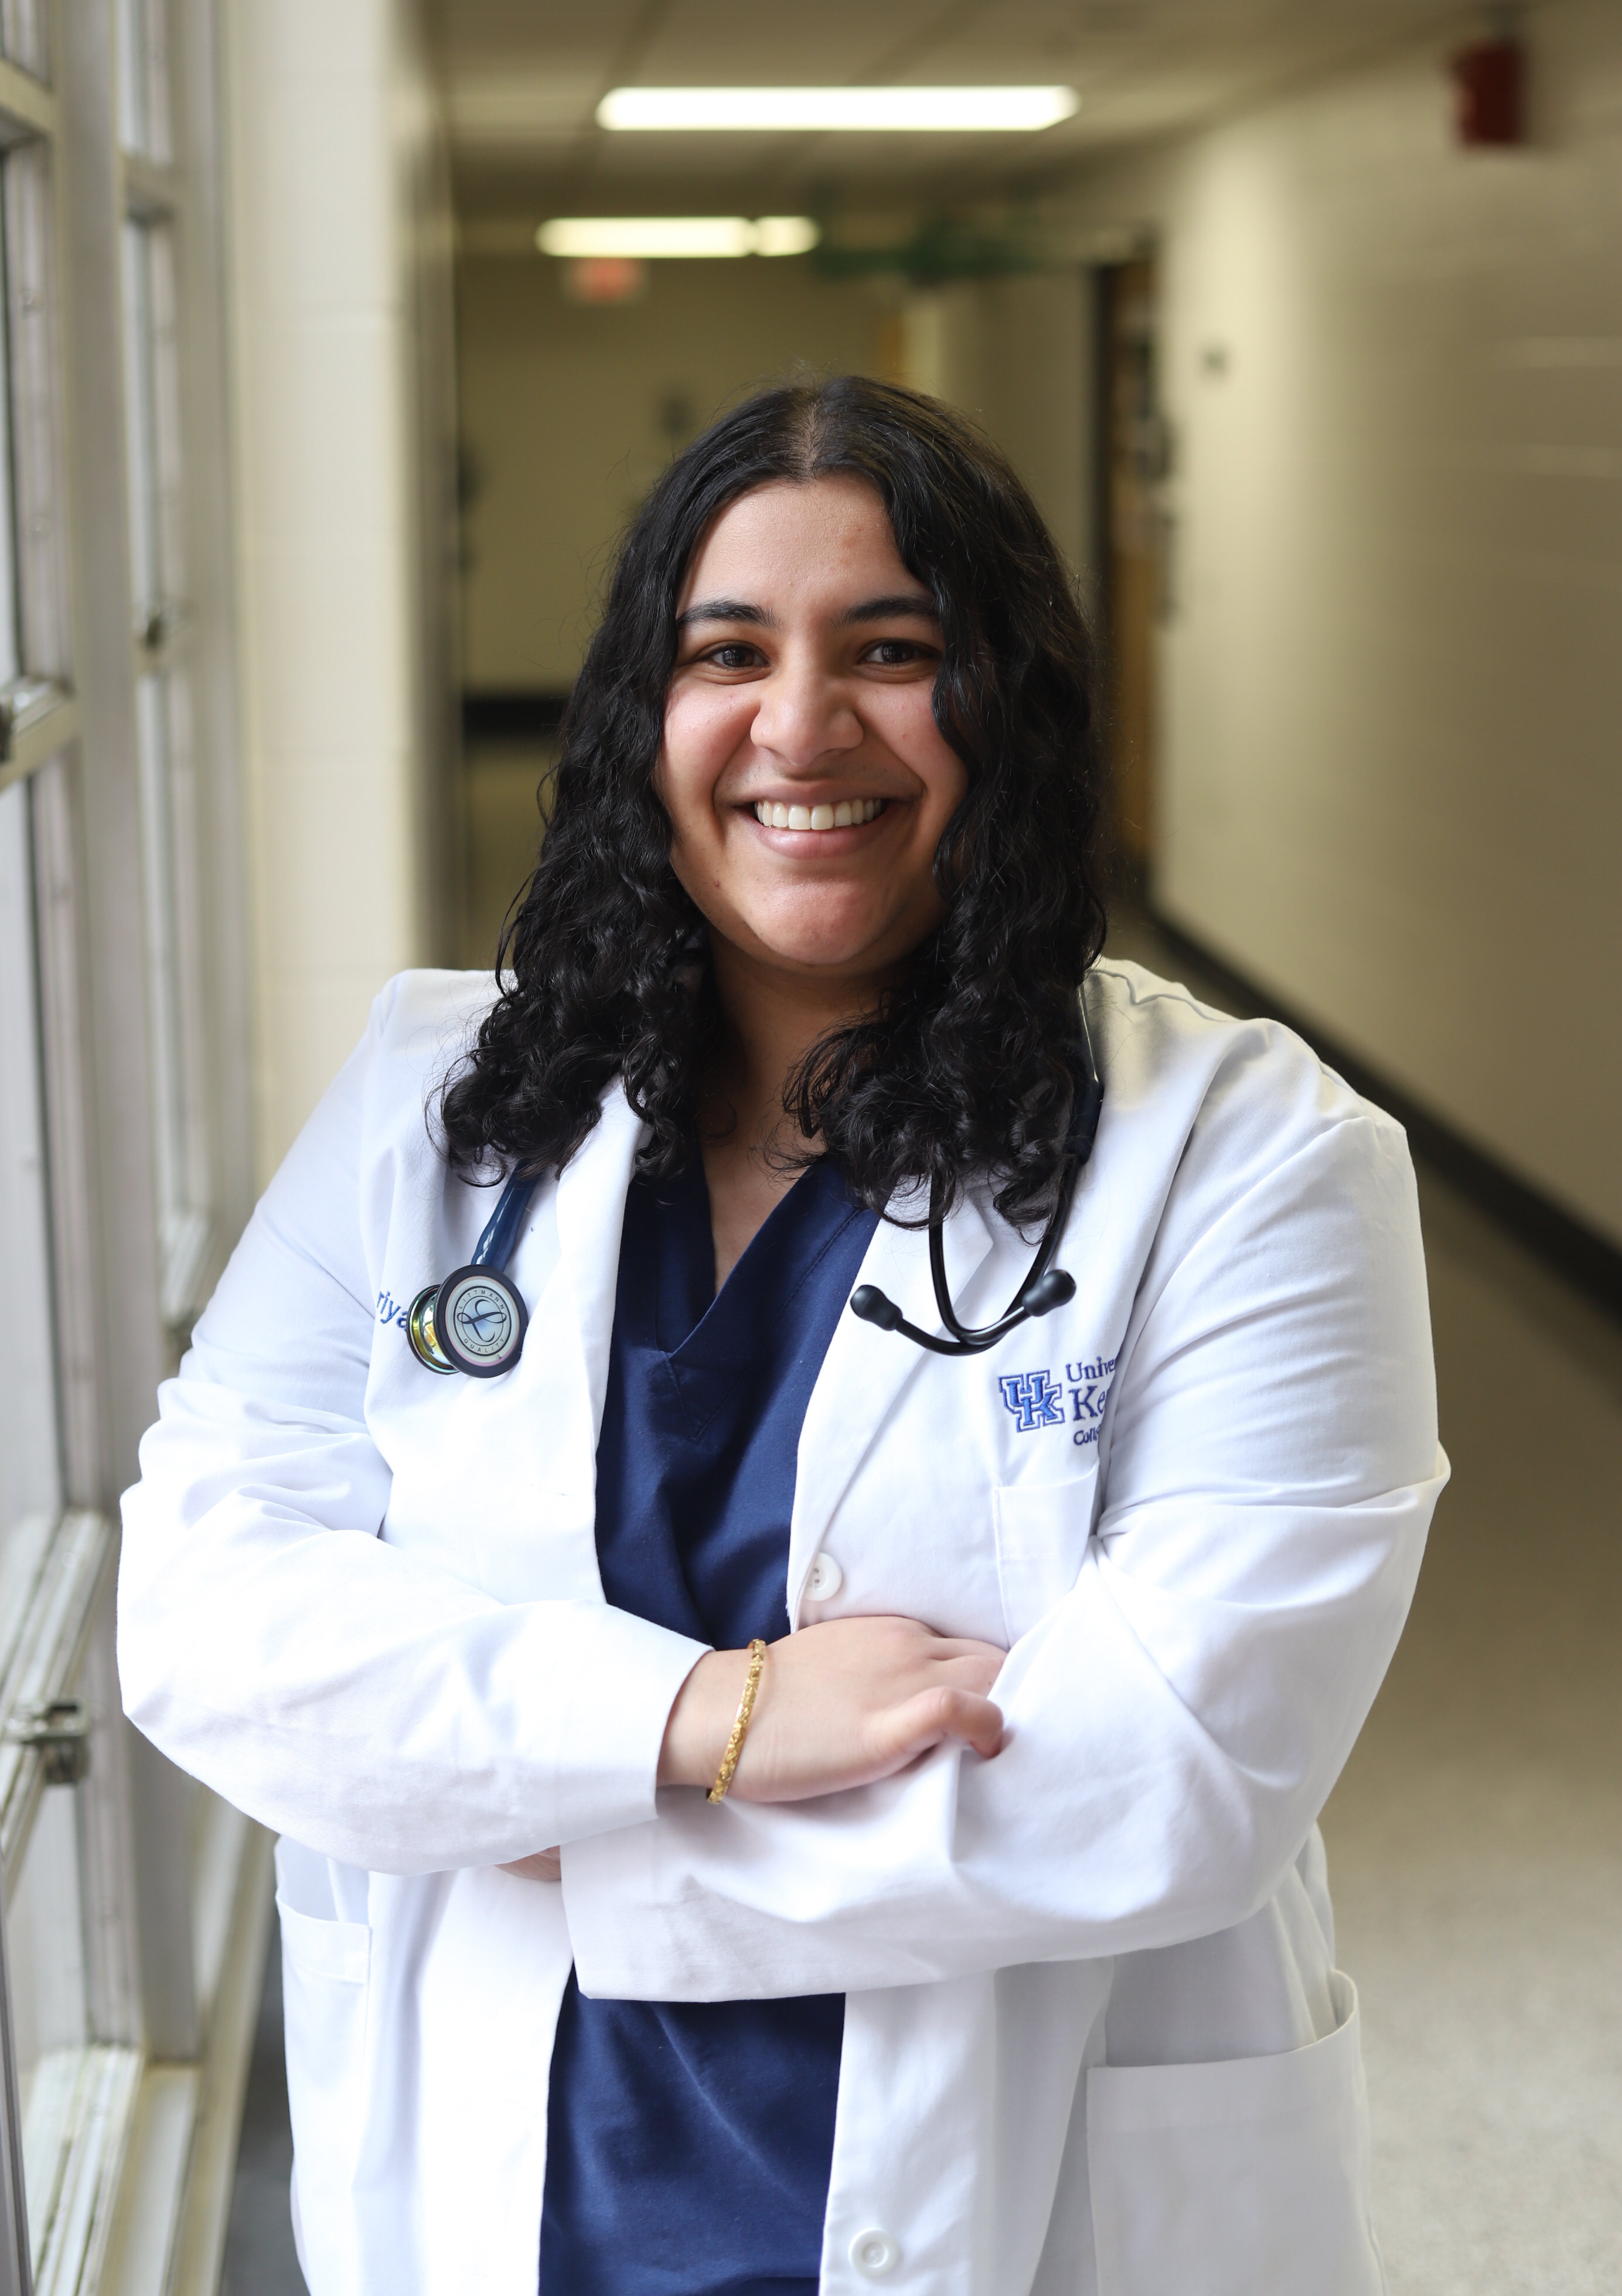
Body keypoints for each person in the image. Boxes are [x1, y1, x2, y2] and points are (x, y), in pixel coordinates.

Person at [117, 377, 1446, 2296]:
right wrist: (707, 1721)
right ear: (641, 723)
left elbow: (1170, 1779)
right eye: (726, 652)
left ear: (1012, 714)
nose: (801, 727)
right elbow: (204, 1612)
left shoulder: (1250, 1156)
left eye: (893, 651)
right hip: (509, 2186)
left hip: (1029, 2188)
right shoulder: (436, 1100)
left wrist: (551, 1812)